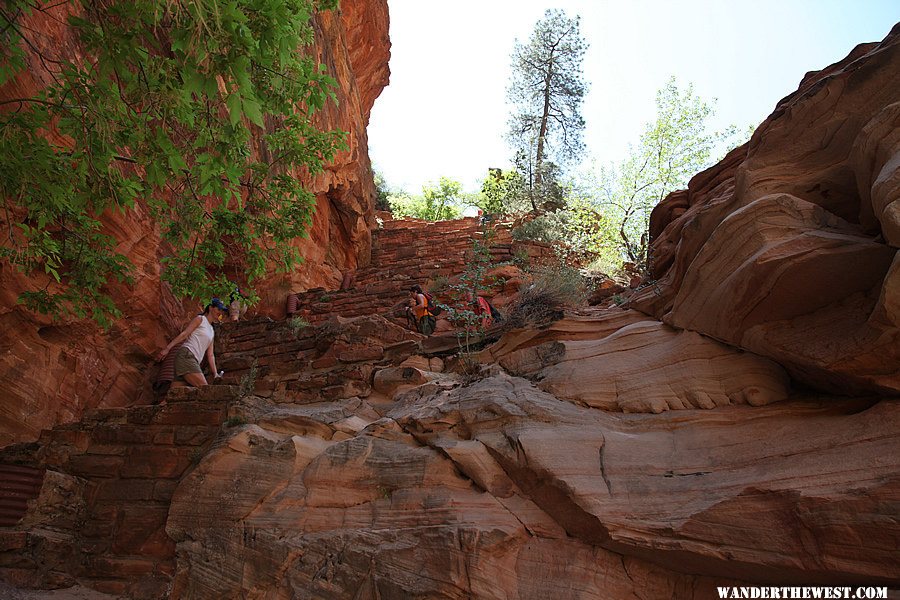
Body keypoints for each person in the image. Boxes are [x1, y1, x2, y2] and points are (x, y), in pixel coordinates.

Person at [156, 298, 227, 387]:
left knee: (174, 396)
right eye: (218, 309)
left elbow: (210, 355)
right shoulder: (200, 319)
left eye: (222, 311)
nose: (220, 312)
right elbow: (184, 334)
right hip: (187, 355)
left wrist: (215, 373)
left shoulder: (212, 331)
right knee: (204, 388)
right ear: (211, 308)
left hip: (193, 360)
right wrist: (167, 349)